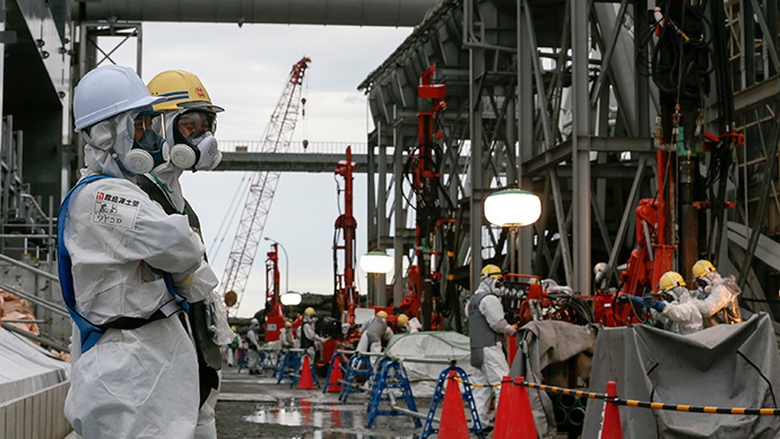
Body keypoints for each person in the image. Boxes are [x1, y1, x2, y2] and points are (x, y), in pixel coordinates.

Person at [59, 65, 217, 438]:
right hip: (129, 371)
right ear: (107, 132)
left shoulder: (119, 191)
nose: (146, 135)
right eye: (140, 124)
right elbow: (177, 244)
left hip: (147, 366)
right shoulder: (101, 196)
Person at [143, 69, 229, 439]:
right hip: (160, 352)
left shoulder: (178, 199)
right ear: (161, 126)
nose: (201, 136)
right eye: (189, 125)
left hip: (193, 355)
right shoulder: (141, 194)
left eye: (206, 124)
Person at [466, 264, 517, 427]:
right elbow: (497, 323)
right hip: (490, 348)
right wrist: (511, 330)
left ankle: (479, 423)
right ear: (490, 280)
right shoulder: (489, 299)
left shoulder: (471, 302)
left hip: (476, 350)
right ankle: (505, 423)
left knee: (481, 388)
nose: (500, 286)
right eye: (498, 281)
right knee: (503, 383)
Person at [619, 271, 702, 335]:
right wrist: (636, 300)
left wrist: (658, 305)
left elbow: (675, 312)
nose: (667, 299)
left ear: (677, 291)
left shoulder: (691, 308)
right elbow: (659, 313)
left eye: (668, 296)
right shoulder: (673, 310)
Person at [691, 259, 742, 327]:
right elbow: (696, 295)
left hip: (731, 333)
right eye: (699, 283)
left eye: (701, 282)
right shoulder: (710, 290)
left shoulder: (723, 288)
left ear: (709, 277)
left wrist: (691, 302)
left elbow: (707, 309)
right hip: (718, 333)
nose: (701, 286)